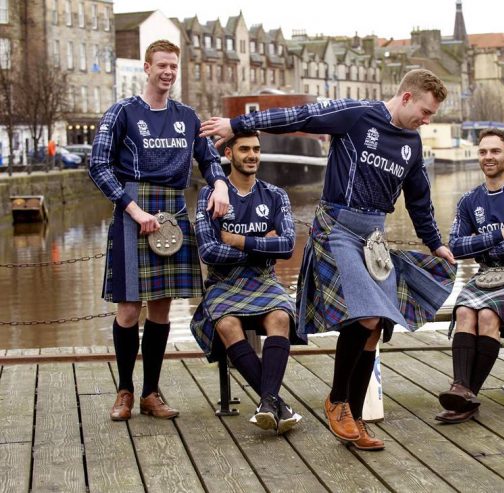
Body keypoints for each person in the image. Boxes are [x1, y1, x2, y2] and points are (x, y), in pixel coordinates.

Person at [200, 68, 456, 451]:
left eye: (431, 115)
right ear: (406, 97)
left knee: (374, 327)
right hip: (336, 227)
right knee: (367, 315)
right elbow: (299, 116)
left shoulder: (412, 144)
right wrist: (239, 122)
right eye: (425, 111)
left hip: (374, 236)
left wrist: (435, 243)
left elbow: (419, 200)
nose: (427, 119)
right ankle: (337, 400)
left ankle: (352, 415)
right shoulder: (357, 115)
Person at [89, 40, 229, 421]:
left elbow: (210, 158)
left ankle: (151, 392)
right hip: (132, 209)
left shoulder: (187, 115)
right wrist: (133, 209)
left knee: (163, 309)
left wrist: (218, 184)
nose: (168, 72)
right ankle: (125, 391)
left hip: (172, 207)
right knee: (130, 309)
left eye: (173, 66)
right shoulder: (122, 112)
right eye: (162, 65)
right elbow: (98, 165)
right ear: (146, 67)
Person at [190, 130, 302, 434]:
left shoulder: (276, 195)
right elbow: (209, 251)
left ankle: (269, 402)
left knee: (281, 316)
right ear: (229, 155)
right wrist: (260, 246)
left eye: (256, 149)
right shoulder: (209, 195)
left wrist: (238, 240)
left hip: (264, 280)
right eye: (244, 150)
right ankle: (276, 403)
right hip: (223, 283)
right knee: (226, 324)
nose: (252, 155)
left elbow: (288, 245)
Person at [436, 129, 504, 423]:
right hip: (485, 276)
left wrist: (482, 247)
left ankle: (466, 393)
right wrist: (500, 234)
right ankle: (461, 389)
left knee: (486, 315)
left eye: (495, 151)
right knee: (464, 311)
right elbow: (455, 245)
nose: (488, 158)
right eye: (483, 152)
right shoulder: (469, 200)